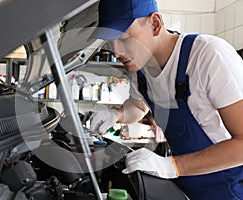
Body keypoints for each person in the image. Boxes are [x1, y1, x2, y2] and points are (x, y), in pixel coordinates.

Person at [89, 0, 243, 199]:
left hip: (232, 188)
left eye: (125, 39)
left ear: (155, 24)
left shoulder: (207, 56)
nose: (116, 52)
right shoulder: (141, 70)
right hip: (189, 185)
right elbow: (138, 106)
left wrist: (173, 165)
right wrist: (115, 114)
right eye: (111, 42)